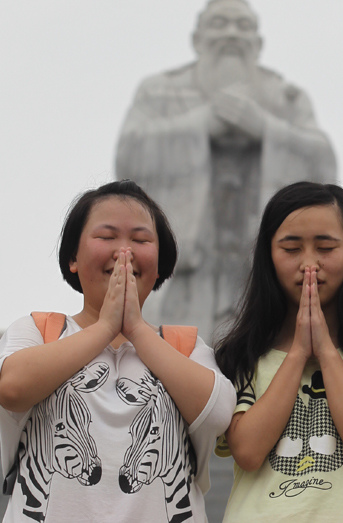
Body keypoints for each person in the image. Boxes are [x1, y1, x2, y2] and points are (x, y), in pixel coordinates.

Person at [0, 180, 236, 522]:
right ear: (73, 258)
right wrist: (104, 328)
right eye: (107, 237)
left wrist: (137, 330)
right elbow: (12, 387)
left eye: (140, 240)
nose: (123, 251)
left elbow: (217, 414)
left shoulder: (183, 347)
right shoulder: (38, 331)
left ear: (159, 266)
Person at [115, 0, 336, 340]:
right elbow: (129, 155)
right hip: (188, 266)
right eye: (220, 24)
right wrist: (201, 124)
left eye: (243, 26)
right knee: (174, 354)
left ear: (258, 43)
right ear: (197, 39)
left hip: (255, 263)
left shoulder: (285, 97)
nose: (232, 34)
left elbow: (323, 165)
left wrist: (264, 128)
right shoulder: (161, 92)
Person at [213, 181, 343, 522]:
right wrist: (298, 353)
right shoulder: (240, 354)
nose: (309, 263)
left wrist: (326, 351)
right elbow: (247, 451)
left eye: (326, 247)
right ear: (268, 256)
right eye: (291, 248)